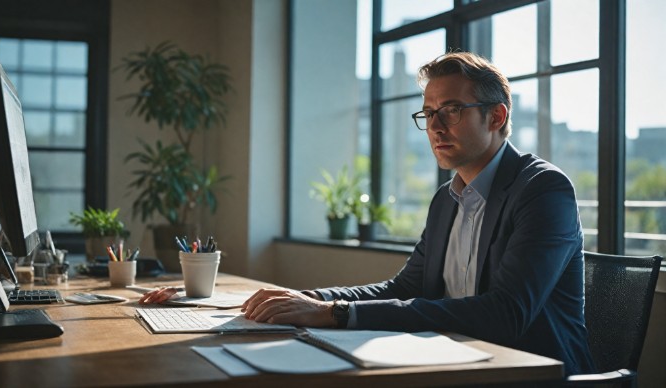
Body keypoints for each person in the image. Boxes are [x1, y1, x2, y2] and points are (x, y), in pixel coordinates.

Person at [141, 51, 595, 376]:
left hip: (530, 371)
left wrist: (334, 314)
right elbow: (405, 288)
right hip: (449, 360)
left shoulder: (542, 190)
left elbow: (507, 314)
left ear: (496, 117)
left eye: (452, 110)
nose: (435, 127)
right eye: (429, 112)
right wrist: (298, 300)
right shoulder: (447, 199)